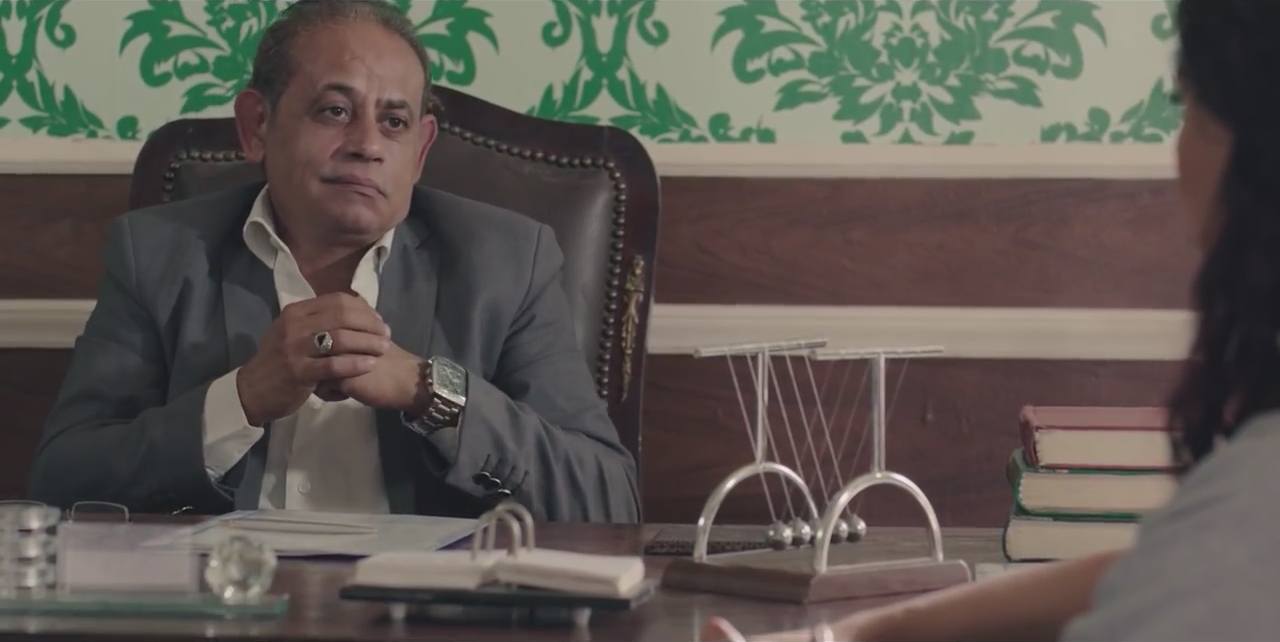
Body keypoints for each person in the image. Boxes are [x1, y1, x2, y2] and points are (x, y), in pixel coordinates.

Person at [705, 0, 1280, 639]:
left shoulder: (1252, 503)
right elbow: (1161, 569)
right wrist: (863, 633)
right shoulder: (1234, 522)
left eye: (1186, 105)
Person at [26, 0, 639, 524]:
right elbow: (62, 482)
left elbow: (607, 500)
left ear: (420, 151)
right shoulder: (158, 255)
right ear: (257, 126)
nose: (368, 145)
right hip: (229, 598)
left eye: (394, 121)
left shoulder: (507, 263)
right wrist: (239, 400)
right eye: (335, 111)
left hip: (424, 608)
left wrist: (430, 392)